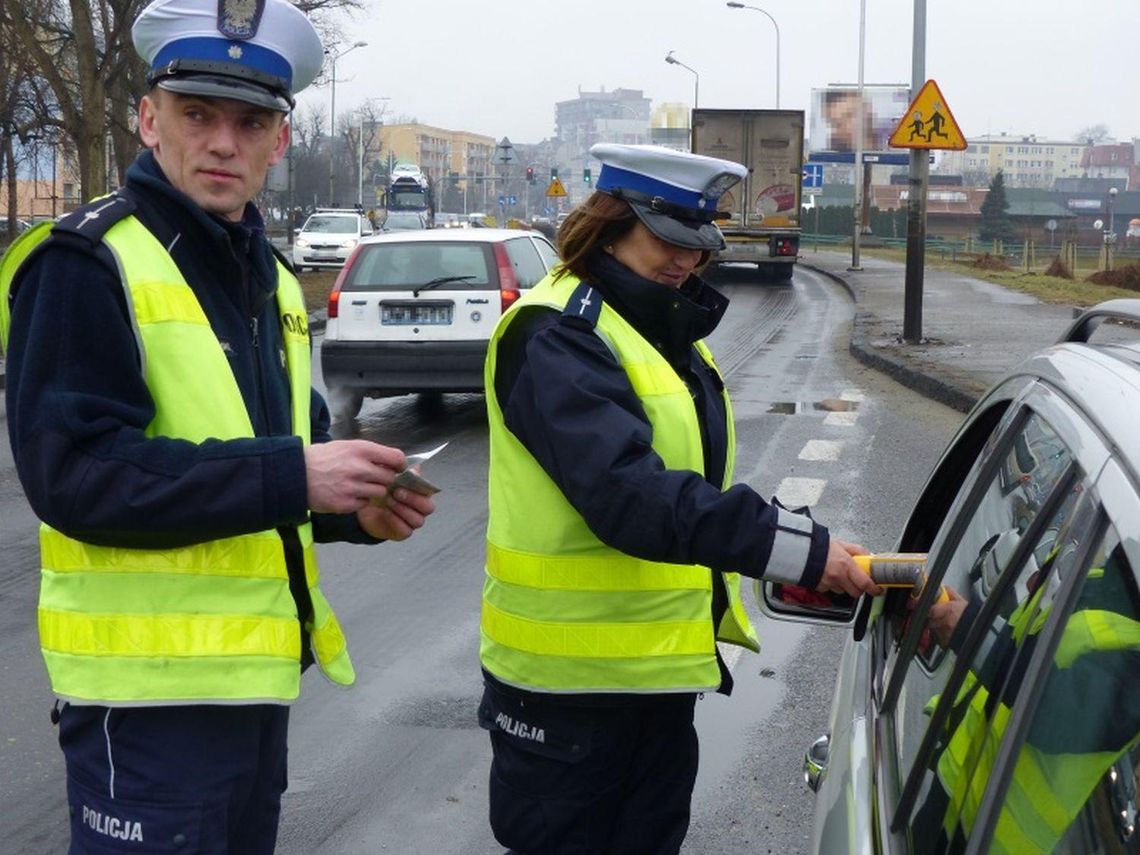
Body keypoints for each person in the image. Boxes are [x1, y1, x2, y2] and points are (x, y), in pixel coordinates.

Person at [0, 0, 435, 851]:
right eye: (196, 114)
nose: (223, 142)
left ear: (279, 141)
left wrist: (349, 509)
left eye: (250, 121)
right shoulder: (87, 261)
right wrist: (296, 477)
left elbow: (285, 455)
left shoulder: (268, 278)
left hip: (249, 690)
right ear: (147, 120)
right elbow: (74, 475)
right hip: (144, 704)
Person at [477, 143, 881, 854]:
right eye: (667, 240)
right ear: (608, 222)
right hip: (564, 693)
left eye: (699, 246)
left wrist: (800, 543)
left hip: (654, 683)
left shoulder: (660, 332)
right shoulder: (557, 332)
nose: (686, 262)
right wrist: (798, 550)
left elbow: (690, 489)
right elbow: (628, 495)